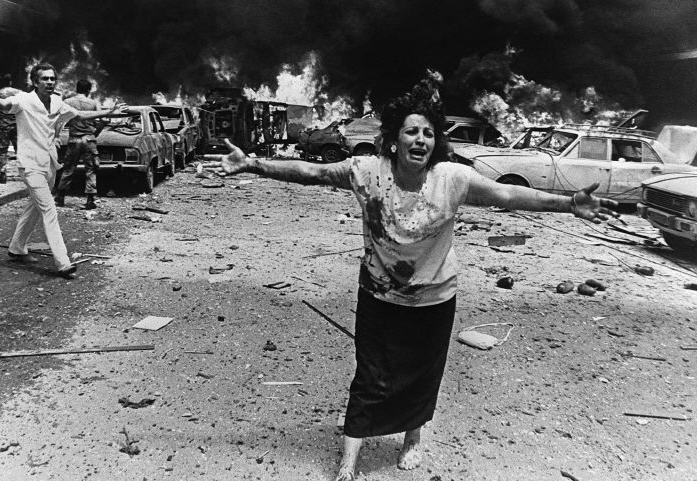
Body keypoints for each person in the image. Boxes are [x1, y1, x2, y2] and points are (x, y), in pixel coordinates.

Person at [206, 83, 618, 481]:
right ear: (394, 139)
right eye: (411, 131)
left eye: (428, 133)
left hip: (435, 300)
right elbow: (310, 171)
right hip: (378, 296)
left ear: (435, 141)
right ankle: (350, 455)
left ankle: (411, 440)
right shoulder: (367, 172)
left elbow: (508, 197)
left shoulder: (452, 179)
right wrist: (254, 164)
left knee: (423, 375)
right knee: (370, 375)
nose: (420, 139)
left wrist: (568, 204)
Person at [0, 63, 119, 279]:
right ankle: (63, 262)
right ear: (35, 82)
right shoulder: (23, 100)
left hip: (50, 164)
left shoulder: (58, 101)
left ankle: (17, 248)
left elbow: (79, 116)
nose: (49, 82)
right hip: (29, 165)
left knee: (35, 207)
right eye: (44, 79)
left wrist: (109, 112)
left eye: (51, 78)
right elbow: (1, 104)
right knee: (49, 209)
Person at [54, 79, 105, 210]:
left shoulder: (67, 102)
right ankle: (90, 200)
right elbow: (103, 120)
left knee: (68, 169)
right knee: (91, 169)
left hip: (74, 139)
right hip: (89, 139)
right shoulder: (93, 103)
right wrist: (95, 132)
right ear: (88, 90)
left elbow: (59, 121)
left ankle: (60, 197)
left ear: (77, 88)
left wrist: (56, 136)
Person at [0, 73, 22, 184]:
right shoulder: (18, 92)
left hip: (3, 125)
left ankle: (2, 174)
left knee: (2, 151)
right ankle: (25, 173)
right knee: (19, 150)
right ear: (10, 82)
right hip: (16, 124)